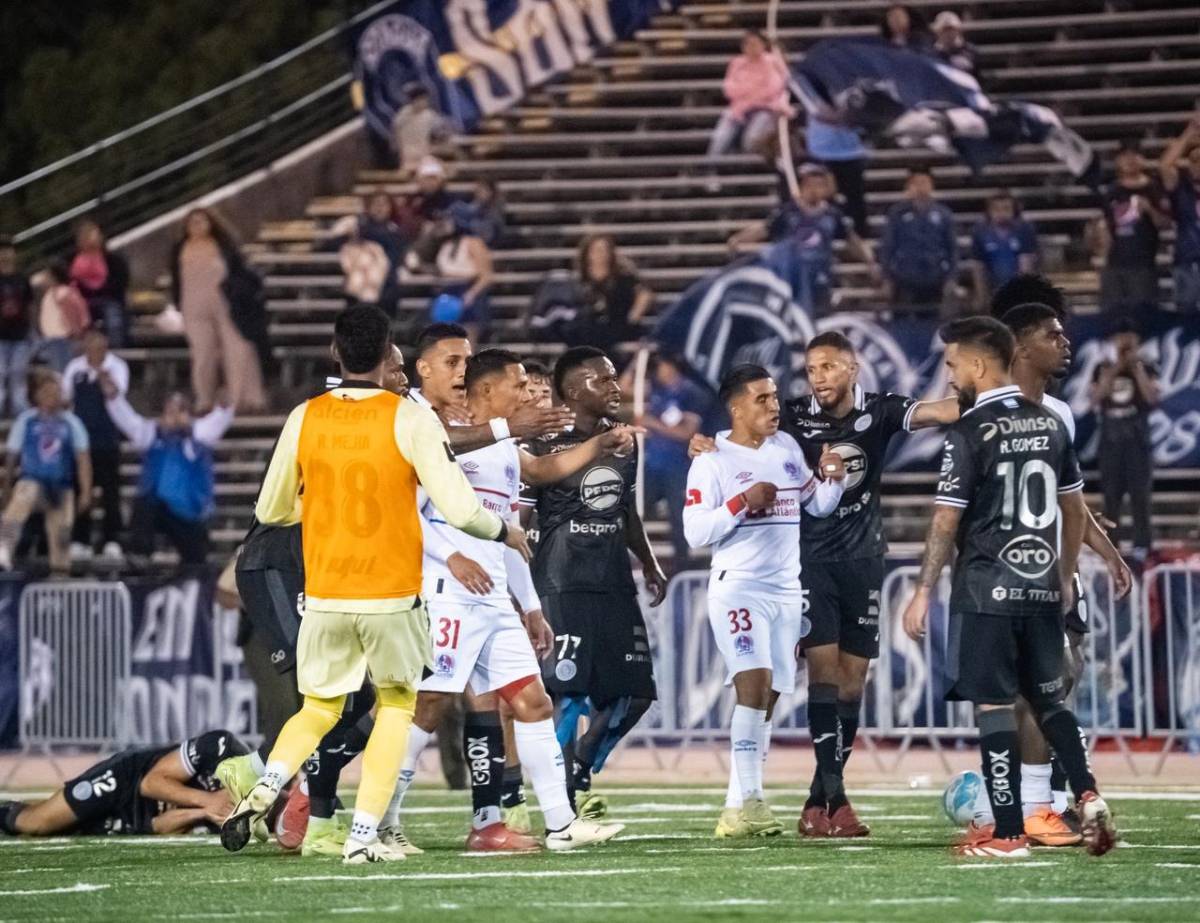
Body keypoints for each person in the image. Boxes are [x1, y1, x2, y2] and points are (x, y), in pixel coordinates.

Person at [220, 305, 530, 864]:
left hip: (326, 591)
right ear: (391, 352)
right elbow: (460, 510)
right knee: (394, 706)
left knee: (318, 708)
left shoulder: (304, 415)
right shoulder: (407, 417)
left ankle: (265, 787)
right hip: (389, 591)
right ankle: (364, 837)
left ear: (337, 354)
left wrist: (320, 514)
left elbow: (270, 507)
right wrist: (502, 530)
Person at [689, 333, 959, 837]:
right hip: (808, 563)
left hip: (862, 559)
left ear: (853, 369)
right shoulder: (789, 417)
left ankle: (819, 798)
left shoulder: (878, 411)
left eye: (830, 367)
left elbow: (937, 413)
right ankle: (828, 798)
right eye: (812, 369)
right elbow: (739, 431)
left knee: (852, 682)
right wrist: (706, 445)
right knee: (820, 673)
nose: (819, 378)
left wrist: (981, 389)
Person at [387, 349, 633, 852]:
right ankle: (382, 820)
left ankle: (562, 826)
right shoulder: (447, 442)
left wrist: (532, 606)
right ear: (486, 391)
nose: (528, 393)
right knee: (428, 706)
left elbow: (539, 477)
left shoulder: (502, 446)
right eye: (518, 385)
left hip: (494, 599)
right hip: (450, 594)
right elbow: (406, 515)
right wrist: (453, 558)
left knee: (533, 702)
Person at [900, 316, 1117, 859]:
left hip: (986, 589)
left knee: (995, 707)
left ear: (978, 364)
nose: (949, 376)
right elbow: (1073, 513)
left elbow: (946, 520)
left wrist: (923, 590)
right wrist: (1065, 577)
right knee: (1048, 701)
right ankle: (1087, 794)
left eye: (952, 364)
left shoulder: (969, 431)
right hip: (1043, 588)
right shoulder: (1051, 423)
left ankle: (1006, 833)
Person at [990, 297, 1132, 845]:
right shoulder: (986, 409)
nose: (1066, 343)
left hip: (1055, 569)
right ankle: (1029, 805)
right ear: (1021, 345)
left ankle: (1038, 803)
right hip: (1006, 572)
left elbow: (1069, 501)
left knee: (1060, 679)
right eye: (1054, 334)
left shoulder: (1061, 413)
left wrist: (1104, 555)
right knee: (1033, 688)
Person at [684, 365, 845, 839]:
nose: (774, 406)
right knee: (752, 685)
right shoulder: (712, 460)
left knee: (769, 696)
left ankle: (738, 805)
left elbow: (818, 504)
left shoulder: (788, 449)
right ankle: (751, 800)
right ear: (736, 408)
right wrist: (740, 503)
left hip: (786, 591)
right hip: (740, 587)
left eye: (775, 397)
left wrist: (832, 478)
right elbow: (696, 532)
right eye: (762, 399)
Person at [521, 347, 668, 819]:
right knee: (565, 696)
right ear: (571, 391)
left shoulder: (624, 441)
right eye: (601, 380)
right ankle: (559, 804)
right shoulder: (543, 443)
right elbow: (521, 512)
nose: (614, 387)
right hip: (562, 583)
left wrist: (648, 561)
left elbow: (624, 508)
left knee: (637, 693)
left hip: (613, 583)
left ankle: (580, 766)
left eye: (612, 379)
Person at [0, 730, 246, 837]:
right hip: (127, 779)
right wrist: (210, 801)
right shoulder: (220, 747)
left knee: (66, 825)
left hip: (139, 819)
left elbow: (157, 826)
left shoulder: (240, 816)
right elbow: (150, 783)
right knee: (37, 823)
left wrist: (205, 812)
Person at [101, 380, 232, 567]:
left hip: (189, 513)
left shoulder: (200, 434)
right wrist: (114, 399)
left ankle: (195, 570)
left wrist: (224, 407)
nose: (176, 417)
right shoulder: (151, 435)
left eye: (181, 411)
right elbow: (128, 421)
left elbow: (219, 419)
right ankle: (140, 555)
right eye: (170, 412)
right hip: (159, 509)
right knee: (144, 502)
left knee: (195, 559)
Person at [730, 164, 879, 317]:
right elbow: (766, 228)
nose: (815, 189)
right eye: (810, 185)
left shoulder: (833, 214)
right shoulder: (788, 212)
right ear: (802, 186)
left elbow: (852, 239)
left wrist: (870, 262)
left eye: (820, 185)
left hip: (819, 275)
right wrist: (739, 239)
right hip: (790, 275)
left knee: (819, 317)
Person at [170, 208, 267, 413]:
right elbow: (176, 280)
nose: (197, 225)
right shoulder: (180, 249)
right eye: (192, 222)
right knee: (202, 353)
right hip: (193, 305)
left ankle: (242, 398)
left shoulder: (224, 245)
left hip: (225, 303)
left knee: (237, 348)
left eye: (201, 220)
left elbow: (240, 270)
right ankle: (204, 399)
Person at [0, 372, 92, 573]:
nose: (53, 396)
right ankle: (4, 547)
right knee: (24, 494)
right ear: (38, 395)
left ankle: (60, 578)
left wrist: (85, 491)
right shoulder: (26, 421)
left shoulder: (72, 423)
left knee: (61, 538)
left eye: (56, 392)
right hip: (33, 483)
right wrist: (7, 487)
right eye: (48, 392)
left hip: (61, 488)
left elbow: (83, 459)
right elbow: (12, 457)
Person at [1090, 321, 1159, 562]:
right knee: (1111, 496)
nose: (1126, 345)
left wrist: (1136, 368)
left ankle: (1143, 545)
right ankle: (1111, 544)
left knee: (1140, 495)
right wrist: (1117, 366)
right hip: (1111, 439)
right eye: (1122, 340)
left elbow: (1152, 397)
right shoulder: (1103, 367)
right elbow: (1095, 397)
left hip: (1137, 439)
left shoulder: (1147, 367)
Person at [62, 326, 129, 561]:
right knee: (82, 491)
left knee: (110, 492)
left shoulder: (117, 366)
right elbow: (66, 400)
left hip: (106, 438)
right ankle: (81, 539)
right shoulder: (74, 368)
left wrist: (100, 371)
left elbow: (114, 393)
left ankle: (112, 539)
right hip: (81, 441)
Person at [638, 354, 708, 571]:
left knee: (679, 518)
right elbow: (626, 387)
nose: (659, 371)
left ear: (671, 365)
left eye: (661, 366)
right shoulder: (658, 391)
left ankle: (682, 567)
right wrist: (638, 360)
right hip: (652, 467)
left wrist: (653, 424)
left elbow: (687, 432)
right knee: (634, 509)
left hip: (677, 467)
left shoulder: (691, 393)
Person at [1087, 141, 1170, 319]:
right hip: (1114, 265)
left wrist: (1149, 209)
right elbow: (1106, 227)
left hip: (1143, 265)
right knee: (1111, 316)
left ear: (1142, 159)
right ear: (1118, 161)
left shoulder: (1153, 187)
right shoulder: (1111, 191)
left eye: (1134, 155)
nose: (1130, 160)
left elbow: (1165, 222)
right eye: (1125, 156)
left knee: (1145, 317)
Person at [880, 168, 958, 315]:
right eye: (916, 183)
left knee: (930, 319)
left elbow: (952, 248)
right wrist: (886, 277)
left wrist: (951, 277)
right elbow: (887, 246)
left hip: (934, 276)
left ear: (931, 186)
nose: (920, 187)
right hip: (903, 277)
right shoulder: (897, 213)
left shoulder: (943, 214)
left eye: (924, 183)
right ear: (908, 187)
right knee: (901, 320)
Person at [708, 31, 792, 161]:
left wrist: (748, 92)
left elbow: (774, 87)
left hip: (766, 108)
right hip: (738, 109)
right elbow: (729, 90)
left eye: (755, 43)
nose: (752, 47)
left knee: (751, 140)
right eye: (748, 44)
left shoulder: (773, 62)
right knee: (720, 138)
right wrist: (754, 89)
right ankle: (711, 173)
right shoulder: (736, 63)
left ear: (763, 45)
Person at [568, 235, 654, 354]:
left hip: (618, 325)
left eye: (604, 250)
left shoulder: (623, 277)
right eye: (596, 250)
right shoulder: (581, 281)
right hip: (590, 328)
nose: (601, 254)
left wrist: (633, 316)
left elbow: (644, 294)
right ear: (587, 254)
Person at [328, 192, 406, 315]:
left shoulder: (394, 231)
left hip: (386, 285)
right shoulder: (357, 226)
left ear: (390, 207)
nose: (380, 208)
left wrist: (360, 232)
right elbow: (332, 245)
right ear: (369, 207)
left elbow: (393, 252)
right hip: (358, 283)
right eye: (376, 204)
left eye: (384, 204)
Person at [432, 205, 494, 343]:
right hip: (446, 292)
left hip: (466, 291)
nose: (445, 223)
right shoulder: (445, 244)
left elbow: (486, 275)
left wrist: (470, 294)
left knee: (466, 342)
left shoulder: (474, 242)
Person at [971, 192, 1039, 312]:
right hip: (992, 290)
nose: (1001, 213)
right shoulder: (980, 233)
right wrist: (981, 296)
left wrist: (1024, 297)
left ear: (1014, 211)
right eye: (996, 209)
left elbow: (1026, 266)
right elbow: (978, 267)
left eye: (1006, 209)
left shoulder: (1024, 230)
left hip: (1018, 293)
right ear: (989, 212)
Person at [1159, 115, 1200, 313]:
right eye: (1195, 160)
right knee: (1186, 313)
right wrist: (1189, 132)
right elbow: (1165, 166)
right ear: (1189, 164)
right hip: (1188, 259)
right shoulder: (1182, 187)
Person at [804, 117, 870, 239]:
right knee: (820, 197)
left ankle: (860, 236)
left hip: (850, 152)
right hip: (820, 150)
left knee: (855, 201)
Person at [68, 219, 129, 347]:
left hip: (109, 300)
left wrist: (98, 288)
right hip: (84, 302)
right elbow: (74, 284)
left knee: (113, 317)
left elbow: (119, 284)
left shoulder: (113, 260)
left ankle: (116, 351)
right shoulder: (75, 261)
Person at [0, 237, 34, 417]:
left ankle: (20, 411)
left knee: (18, 375)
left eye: (8, 250)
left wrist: (31, 329)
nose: (5, 254)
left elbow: (29, 304)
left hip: (20, 335)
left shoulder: (22, 278)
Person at [35, 261, 89, 371]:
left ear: (54, 277)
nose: (44, 278)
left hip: (63, 339)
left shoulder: (64, 293)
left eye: (46, 275)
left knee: (63, 369)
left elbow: (73, 315)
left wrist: (75, 333)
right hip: (51, 338)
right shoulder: (50, 293)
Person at [391, 86, 453, 174]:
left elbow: (443, 133)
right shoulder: (401, 118)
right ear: (414, 101)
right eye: (422, 99)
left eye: (426, 100)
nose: (425, 102)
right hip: (407, 160)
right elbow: (395, 142)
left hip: (426, 158)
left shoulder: (430, 115)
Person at [931, 11, 978, 78]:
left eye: (952, 29)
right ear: (937, 32)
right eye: (945, 30)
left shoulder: (970, 50)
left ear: (958, 30)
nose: (948, 33)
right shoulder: (931, 53)